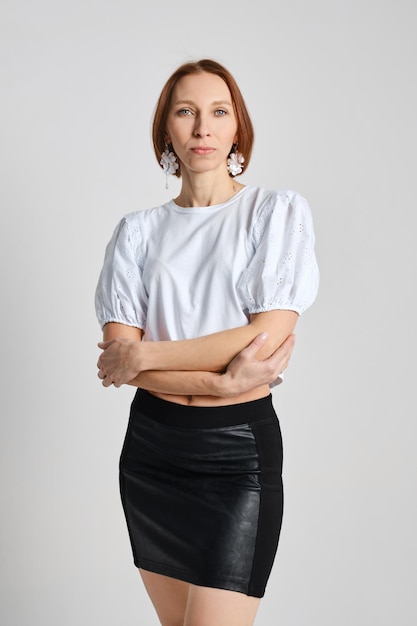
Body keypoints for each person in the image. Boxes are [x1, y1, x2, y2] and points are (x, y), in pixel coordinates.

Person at [95, 59, 319, 626]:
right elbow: (115, 361)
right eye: (186, 111)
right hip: (152, 453)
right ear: (166, 129)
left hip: (238, 452)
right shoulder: (138, 232)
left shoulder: (273, 213)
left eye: (219, 112)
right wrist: (221, 378)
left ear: (236, 128)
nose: (203, 128)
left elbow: (264, 336)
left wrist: (145, 355)